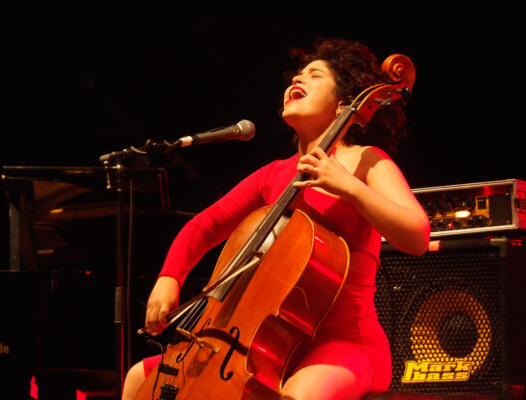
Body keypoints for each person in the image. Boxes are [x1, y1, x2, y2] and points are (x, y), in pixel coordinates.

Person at [121, 37, 430, 400]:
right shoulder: (273, 175)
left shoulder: (365, 160)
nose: (297, 81)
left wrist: (350, 187)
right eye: (295, 77)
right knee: (138, 380)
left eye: (315, 76)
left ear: (345, 103)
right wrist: (169, 277)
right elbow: (204, 226)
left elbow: (417, 237)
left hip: (344, 345)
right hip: (265, 344)